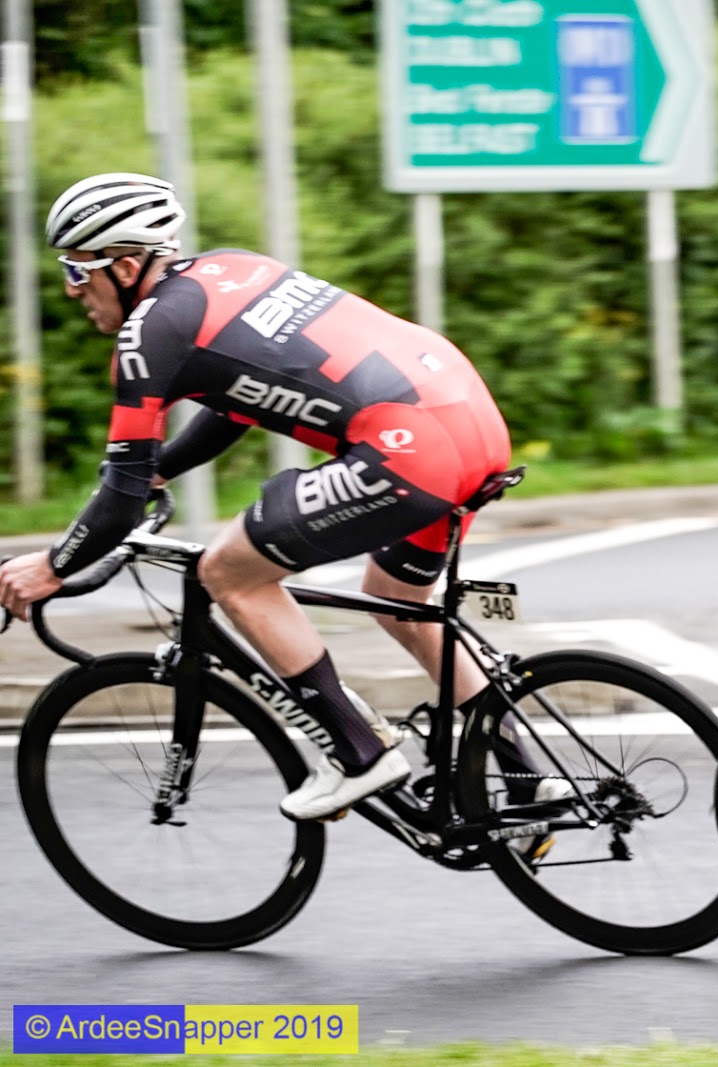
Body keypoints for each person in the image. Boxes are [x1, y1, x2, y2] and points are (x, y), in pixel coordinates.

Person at [0, 172, 566, 825]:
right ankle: (527, 777)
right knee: (400, 600)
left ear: (125, 266)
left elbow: (121, 497)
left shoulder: (149, 332)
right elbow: (236, 402)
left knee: (227, 571)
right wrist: (164, 469)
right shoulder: (233, 267)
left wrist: (52, 567)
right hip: (471, 421)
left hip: (410, 449)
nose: (72, 290)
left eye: (77, 270)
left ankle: (359, 752)